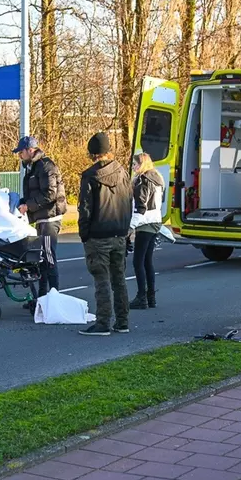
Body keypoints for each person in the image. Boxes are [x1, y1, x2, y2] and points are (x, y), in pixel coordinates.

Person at [77, 133, 132, 336]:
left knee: (101, 280)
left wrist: (84, 234)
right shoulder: (122, 172)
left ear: (92, 153)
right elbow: (129, 202)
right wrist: (126, 230)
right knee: (119, 279)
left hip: (98, 235)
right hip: (119, 233)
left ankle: (103, 323)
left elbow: (85, 209)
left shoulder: (90, 176)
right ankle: (122, 321)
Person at [13, 136, 67, 297]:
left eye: (21, 152)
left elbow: (50, 194)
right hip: (42, 218)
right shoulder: (34, 167)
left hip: (50, 219)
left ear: (30, 150)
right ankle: (43, 295)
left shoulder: (45, 166)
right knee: (42, 258)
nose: (19, 155)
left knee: (49, 257)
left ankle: (54, 294)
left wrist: (28, 205)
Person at [129, 152, 164, 309]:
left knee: (138, 261)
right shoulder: (157, 177)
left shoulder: (143, 180)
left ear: (142, 164)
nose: (133, 167)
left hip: (145, 223)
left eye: (135, 164)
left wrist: (131, 226)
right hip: (155, 221)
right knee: (147, 261)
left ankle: (141, 297)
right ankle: (151, 297)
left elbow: (141, 207)